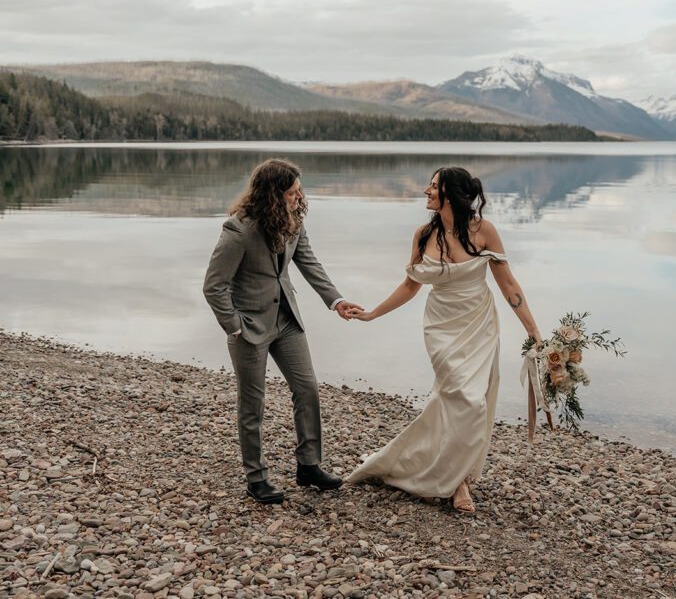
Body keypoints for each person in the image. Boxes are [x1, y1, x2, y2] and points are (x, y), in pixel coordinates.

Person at [346, 166, 542, 513]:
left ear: (450, 193)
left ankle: (459, 480)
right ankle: (449, 476)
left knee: (471, 402)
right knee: (462, 398)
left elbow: (508, 284)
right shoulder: (423, 235)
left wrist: (532, 330)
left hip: (479, 325)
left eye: (433, 187)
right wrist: (373, 314)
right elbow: (410, 285)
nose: (425, 191)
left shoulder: (484, 232)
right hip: (441, 328)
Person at [203, 159, 362, 504]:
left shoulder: (294, 222)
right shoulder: (238, 230)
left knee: (307, 389)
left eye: (298, 190)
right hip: (249, 326)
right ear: (273, 195)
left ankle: (308, 466)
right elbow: (214, 287)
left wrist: (336, 301)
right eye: (292, 192)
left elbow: (309, 263)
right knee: (252, 404)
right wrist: (235, 327)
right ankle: (256, 478)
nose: (298, 196)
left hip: (287, 320)